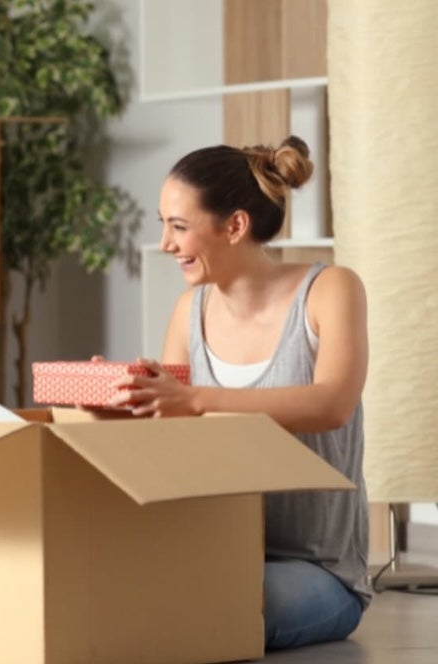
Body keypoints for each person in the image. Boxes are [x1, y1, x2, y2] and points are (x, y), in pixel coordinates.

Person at [111, 136, 370, 651]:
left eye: (178, 227)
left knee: (202, 609)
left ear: (235, 226)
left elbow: (331, 404)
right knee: (121, 595)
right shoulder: (191, 310)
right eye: (164, 225)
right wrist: (127, 390)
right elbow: (172, 433)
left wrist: (198, 399)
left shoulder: (330, 290)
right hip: (215, 549)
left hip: (316, 569)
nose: (165, 244)